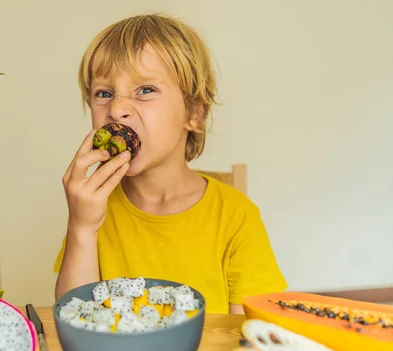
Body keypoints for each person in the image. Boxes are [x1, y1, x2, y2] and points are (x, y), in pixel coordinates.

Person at [53, 13, 287, 314]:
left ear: (194, 114)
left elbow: (248, 328)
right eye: (104, 93)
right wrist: (82, 228)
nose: (117, 109)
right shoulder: (95, 210)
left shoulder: (236, 216)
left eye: (145, 90)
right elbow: (76, 316)